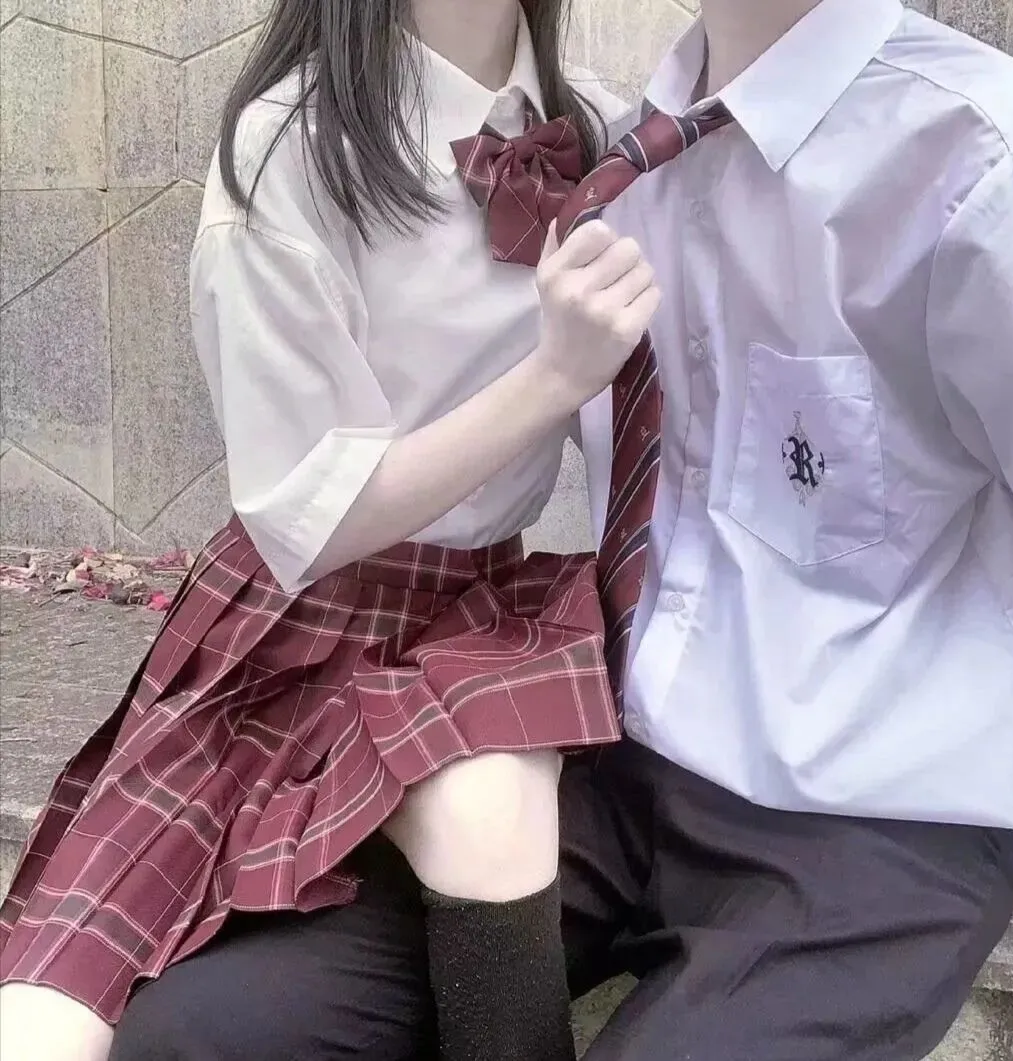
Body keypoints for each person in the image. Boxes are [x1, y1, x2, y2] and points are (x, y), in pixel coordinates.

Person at [67, 1, 1013, 1059]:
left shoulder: (991, 155)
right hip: (624, 764)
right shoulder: (619, 153)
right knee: (202, 1034)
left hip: (876, 817)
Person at [0, 1, 661, 1059]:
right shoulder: (287, 147)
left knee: (492, 817)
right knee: (44, 1021)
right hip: (289, 628)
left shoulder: (605, 133)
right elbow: (309, 515)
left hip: (477, 605)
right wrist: (553, 377)